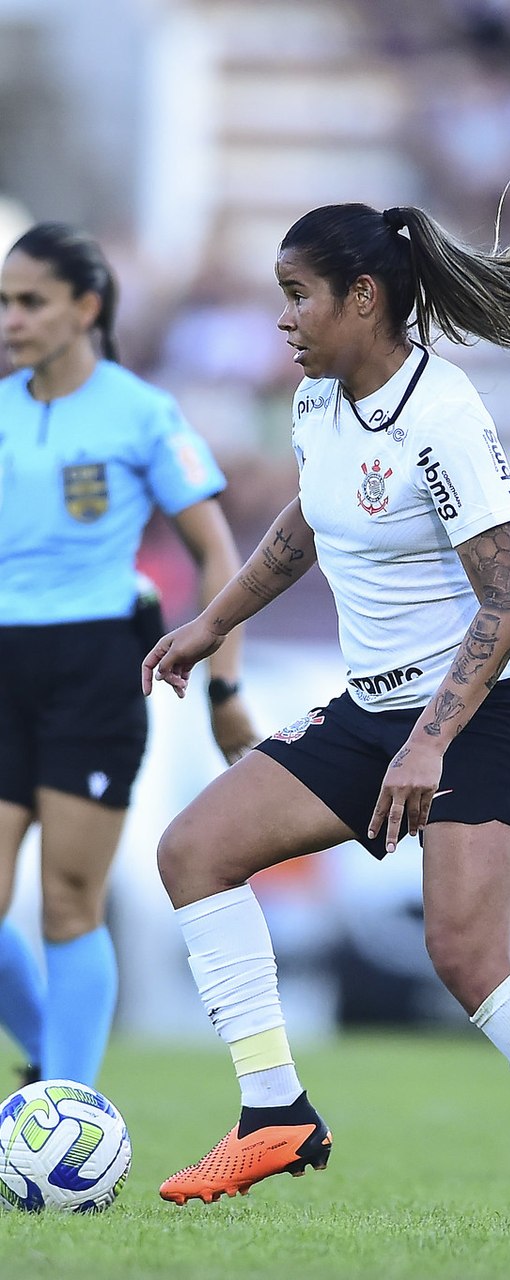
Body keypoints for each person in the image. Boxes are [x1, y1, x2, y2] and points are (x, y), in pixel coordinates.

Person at [143, 187, 510, 1228]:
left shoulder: (446, 415)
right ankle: (274, 1111)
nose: (285, 319)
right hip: (379, 705)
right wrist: (213, 619)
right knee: (192, 851)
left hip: (487, 703)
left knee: (466, 952)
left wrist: (429, 742)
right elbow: (309, 518)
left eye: (299, 297)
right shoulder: (314, 401)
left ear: (365, 295)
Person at [0, 221, 257, 1090]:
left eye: (30, 302)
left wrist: (226, 687)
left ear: (86, 306)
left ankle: (68, 1104)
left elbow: (221, 556)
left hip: (95, 668)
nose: (11, 319)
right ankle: (49, 1067)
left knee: (70, 899)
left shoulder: (142, 414)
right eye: (3, 302)